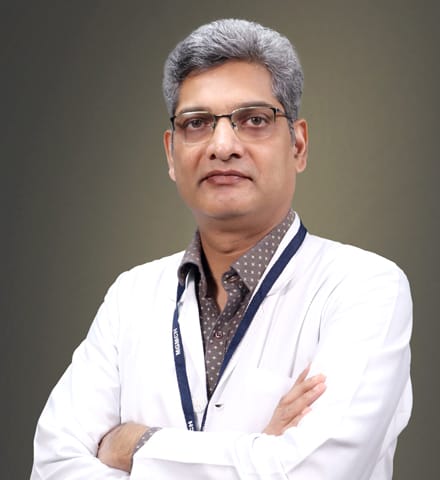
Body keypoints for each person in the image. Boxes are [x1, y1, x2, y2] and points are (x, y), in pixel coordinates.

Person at [31, 18, 412, 479]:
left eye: (254, 120)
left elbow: (316, 470)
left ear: (298, 144)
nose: (223, 145)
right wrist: (260, 451)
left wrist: (138, 446)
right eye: (197, 123)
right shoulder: (130, 296)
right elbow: (53, 466)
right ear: (171, 154)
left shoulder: (365, 288)